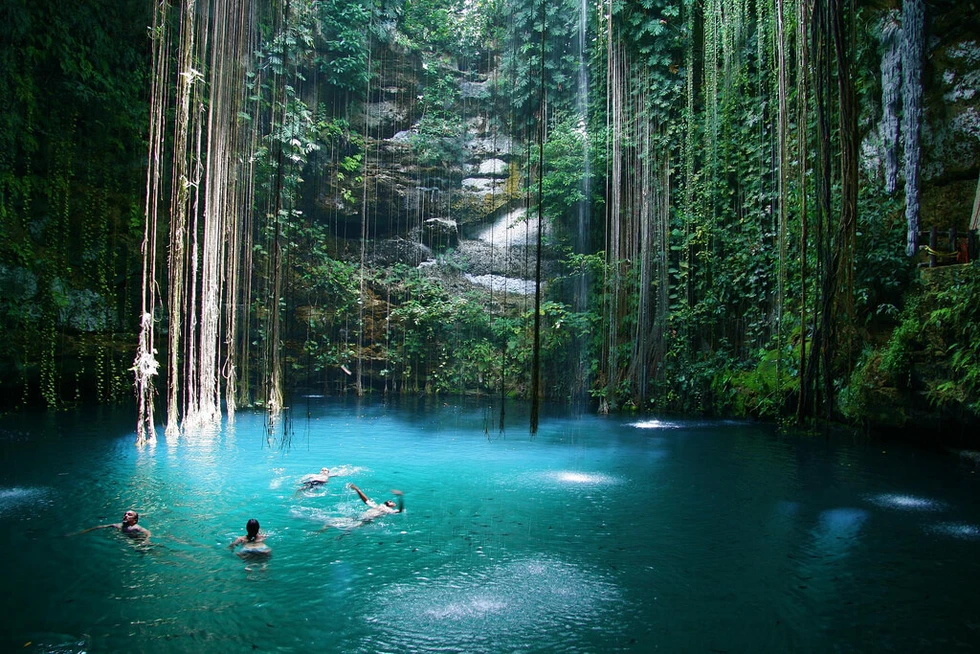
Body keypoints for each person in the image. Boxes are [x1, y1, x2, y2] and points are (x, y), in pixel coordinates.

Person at [75, 510, 151, 540]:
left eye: (129, 515)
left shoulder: (136, 527)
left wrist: (146, 540)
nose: (126, 515)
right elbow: (99, 527)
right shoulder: (117, 525)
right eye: (125, 514)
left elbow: (148, 533)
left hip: (138, 541)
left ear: (135, 520)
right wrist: (81, 532)